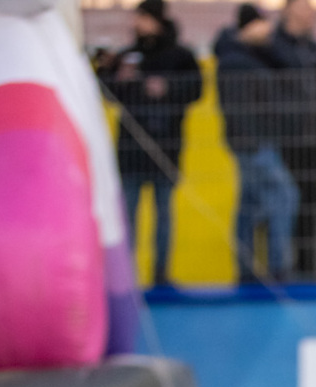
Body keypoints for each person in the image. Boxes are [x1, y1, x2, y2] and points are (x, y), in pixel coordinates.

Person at [99, 0, 202, 289]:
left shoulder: (181, 56)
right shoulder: (127, 56)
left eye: (142, 18)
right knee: (127, 217)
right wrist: (113, 74)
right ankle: (125, 277)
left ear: (155, 20)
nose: (137, 24)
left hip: (166, 147)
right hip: (131, 150)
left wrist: (167, 87)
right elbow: (108, 92)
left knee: (163, 214)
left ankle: (161, 274)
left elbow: (196, 89)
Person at [215, 4, 300, 284]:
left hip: (261, 142)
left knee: (249, 204)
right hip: (253, 144)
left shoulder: (258, 54)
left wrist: (267, 44)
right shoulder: (234, 58)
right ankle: (278, 267)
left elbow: (290, 63)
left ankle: (248, 270)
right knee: (285, 196)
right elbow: (237, 108)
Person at [269, 0, 316, 278]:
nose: (310, 13)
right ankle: (280, 264)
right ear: (288, 10)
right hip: (284, 137)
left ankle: (308, 265)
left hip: (312, 136)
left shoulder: (315, 50)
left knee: (310, 201)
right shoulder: (272, 47)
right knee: (281, 200)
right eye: (304, 7)